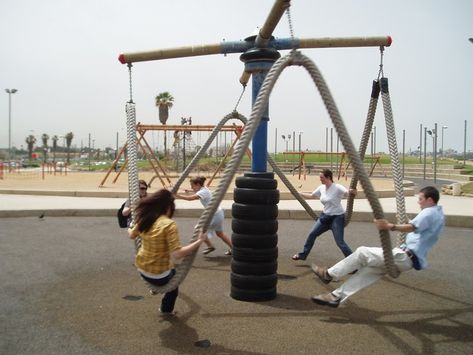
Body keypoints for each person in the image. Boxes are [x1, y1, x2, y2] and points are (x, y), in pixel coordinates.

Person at [311, 186, 445, 308]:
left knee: (362, 252)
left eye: (421, 199)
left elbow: (412, 227)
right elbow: (419, 228)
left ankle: (329, 274)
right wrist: (406, 222)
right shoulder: (438, 214)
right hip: (407, 260)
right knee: (365, 274)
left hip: (404, 256)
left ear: (430, 200)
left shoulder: (429, 212)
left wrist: (390, 226)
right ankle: (336, 297)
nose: (419, 202)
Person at [128, 189, 207, 315]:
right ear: (169, 207)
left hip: (141, 268)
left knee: (172, 269)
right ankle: (166, 310)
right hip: (158, 276)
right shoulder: (169, 224)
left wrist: (131, 227)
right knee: (173, 286)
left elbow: (132, 235)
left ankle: (155, 289)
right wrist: (199, 242)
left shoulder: (145, 217)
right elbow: (177, 254)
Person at [292, 169, 357, 261]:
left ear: (328, 177)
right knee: (312, 234)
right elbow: (312, 196)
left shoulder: (337, 187)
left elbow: (347, 193)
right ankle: (303, 255)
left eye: (322, 177)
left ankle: (353, 262)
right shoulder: (321, 188)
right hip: (325, 216)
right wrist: (298, 193)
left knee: (340, 242)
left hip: (337, 217)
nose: (320, 179)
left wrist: (353, 192)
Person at [175, 176, 232, 256]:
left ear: (198, 184)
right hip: (218, 213)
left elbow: (190, 198)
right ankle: (233, 248)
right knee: (220, 234)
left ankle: (209, 246)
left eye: (192, 186)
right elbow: (196, 191)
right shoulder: (204, 188)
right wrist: (190, 190)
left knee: (199, 229)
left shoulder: (202, 192)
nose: (192, 187)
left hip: (214, 215)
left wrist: (177, 195)